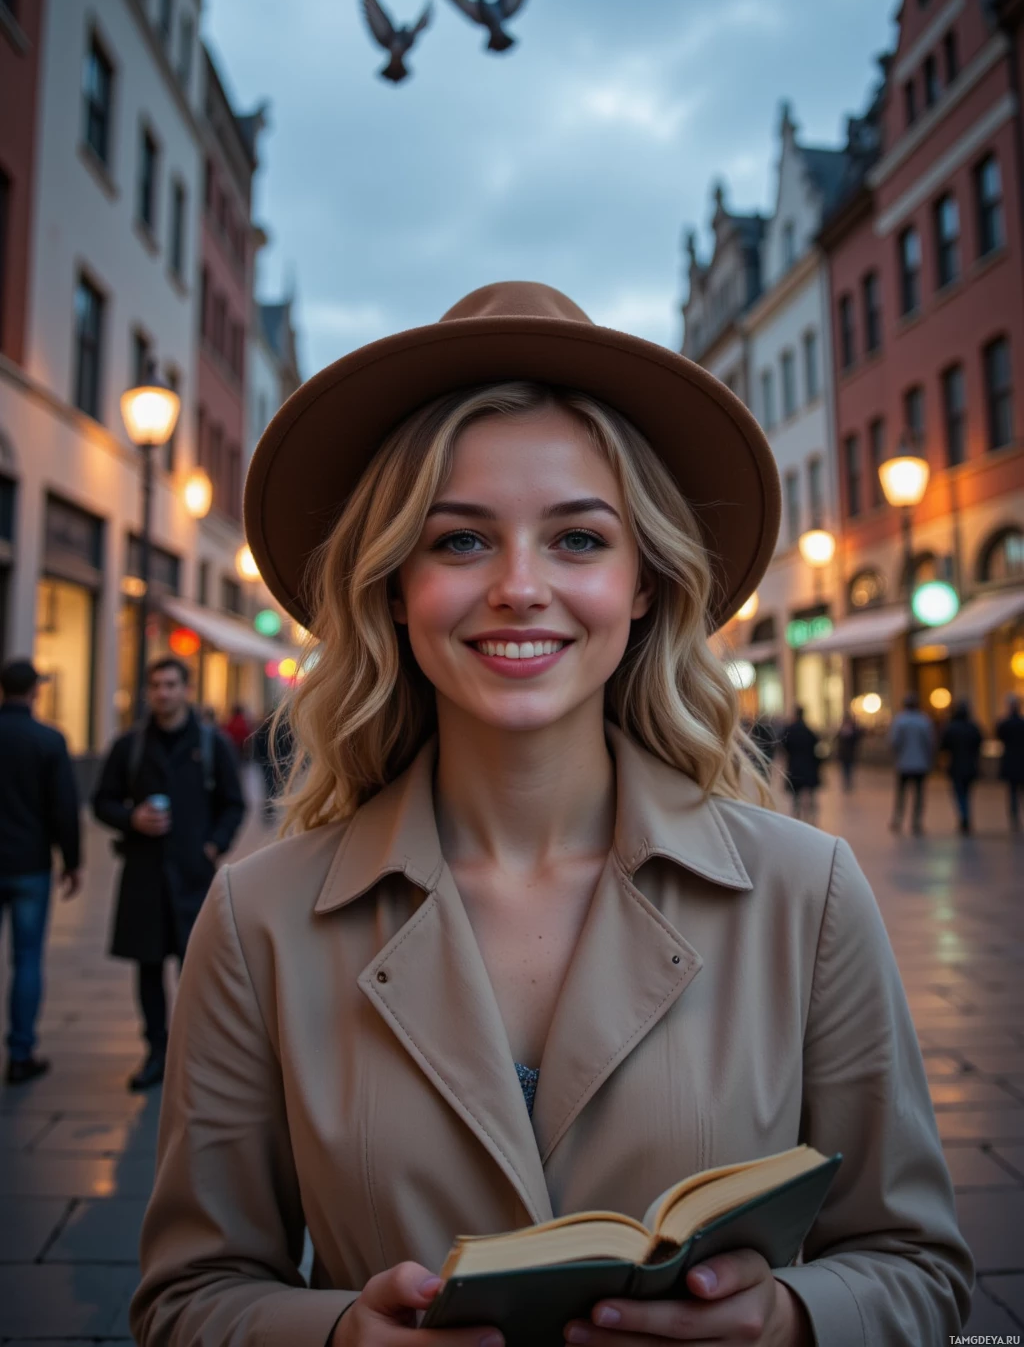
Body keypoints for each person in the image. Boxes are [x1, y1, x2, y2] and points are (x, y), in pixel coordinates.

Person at [131, 282, 972, 1346]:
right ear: (392, 585)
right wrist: (337, 1335)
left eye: (577, 540)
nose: (519, 587)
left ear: (645, 585)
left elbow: (918, 1268)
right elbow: (185, 1298)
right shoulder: (259, 922)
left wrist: (793, 1321)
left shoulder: (807, 895)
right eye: (459, 541)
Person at [92, 656, 247, 1091]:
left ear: (186, 690)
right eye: (156, 685)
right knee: (147, 967)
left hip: (193, 875)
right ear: (148, 691)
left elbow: (234, 804)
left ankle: (194, 1053)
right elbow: (102, 800)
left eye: (171, 685)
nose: (163, 693)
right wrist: (131, 818)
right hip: (144, 874)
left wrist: (214, 844)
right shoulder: (131, 745)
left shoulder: (212, 744)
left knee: (194, 969)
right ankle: (156, 1051)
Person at [0, 658, 82, 1084]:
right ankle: (20, 1051)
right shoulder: (48, 740)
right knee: (27, 958)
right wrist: (72, 862)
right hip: (29, 864)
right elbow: (64, 809)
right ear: (36, 690)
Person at [888, 692, 936, 836]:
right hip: (920, 764)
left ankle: (898, 818)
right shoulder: (924, 720)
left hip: (904, 763)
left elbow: (893, 741)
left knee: (901, 793)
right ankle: (916, 821)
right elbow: (930, 742)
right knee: (919, 794)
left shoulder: (900, 720)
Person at [939, 701, 983, 837]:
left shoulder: (951, 728)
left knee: (960, 793)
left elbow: (943, 746)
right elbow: (979, 743)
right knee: (966, 793)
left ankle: (964, 816)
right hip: (970, 766)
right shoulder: (973, 727)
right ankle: (965, 815)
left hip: (956, 766)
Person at [779, 705, 820, 823]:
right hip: (809, 766)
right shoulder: (809, 730)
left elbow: (783, 746)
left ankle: (796, 817)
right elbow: (816, 745)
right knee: (810, 794)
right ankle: (811, 817)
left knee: (795, 796)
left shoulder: (790, 730)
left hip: (795, 765)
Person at [996, 693, 1024, 835]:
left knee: (1013, 792)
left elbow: (998, 733)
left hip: (1011, 762)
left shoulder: (1005, 723)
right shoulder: (1021, 723)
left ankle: (1014, 817)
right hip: (1020, 762)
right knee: (1016, 791)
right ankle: (1015, 816)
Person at [834, 710, 863, 792]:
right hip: (844, 754)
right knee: (845, 769)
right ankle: (846, 783)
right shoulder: (841, 730)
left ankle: (849, 782)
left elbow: (857, 738)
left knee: (849, 768)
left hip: (850, 753)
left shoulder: (853, 730)